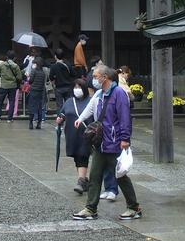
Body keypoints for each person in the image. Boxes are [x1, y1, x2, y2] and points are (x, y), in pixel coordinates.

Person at [71, 65, 142, 221]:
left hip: (115, 142)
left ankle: (134, 207)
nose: (93, 79)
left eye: (96, 76)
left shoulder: (119, 94)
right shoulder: (100, 93)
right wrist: (80, 119)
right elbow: (91, 108)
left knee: (120, 176)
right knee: (95, 176)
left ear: (105, 77)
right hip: (101, 142)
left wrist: (125, 138)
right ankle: (90, 208)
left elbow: (124, 117)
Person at [55, 79, 92, 194]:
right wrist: (60, 119)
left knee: (82, 155)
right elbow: (63, 113)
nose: (77, 90)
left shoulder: (91, 101)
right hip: (71, 134)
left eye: (79, 87)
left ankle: (80, 181)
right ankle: (84, 180)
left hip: (86, 135)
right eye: (75, 87)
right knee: (77, 157)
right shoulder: (69, 101)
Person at [0, 51, 23, 122]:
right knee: (12, 101)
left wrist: (3, 76)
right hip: (13, 86)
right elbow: (19, 77)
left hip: (3, 85)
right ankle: (9, 118)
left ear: (7, 57)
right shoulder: (15, 66)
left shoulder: (2, 65)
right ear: (14, 58)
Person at [26, 57, 49, 129]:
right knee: (39, 108)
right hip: (41, 91)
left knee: (32, 107)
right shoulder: (43, 72)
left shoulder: (34, 71)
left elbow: (30, 81)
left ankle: (30, 123)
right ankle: (39, 124)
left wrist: (28, 77)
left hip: (33, 91)